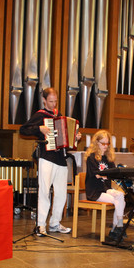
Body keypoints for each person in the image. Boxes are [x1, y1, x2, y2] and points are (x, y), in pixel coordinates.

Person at [19, 87, 81, 235]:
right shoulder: (40, 115)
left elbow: (67, 138)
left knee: (61, 193)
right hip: (46, 157)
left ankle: (54, 223)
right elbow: (23, 130)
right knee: (44, 191)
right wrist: (39, 129)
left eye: (55, 101)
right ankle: (40, 225)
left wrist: (75, 137)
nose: (53, 104)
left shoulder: (59, 116)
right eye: (51, 101)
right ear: (44, 100)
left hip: (61, 158)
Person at [85, 130, 126, 243]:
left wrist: (104, 175)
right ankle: (118, 228)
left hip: (106, 189)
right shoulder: (91, 158)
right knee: (118, 201)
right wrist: (104, 175)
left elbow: (112, 173)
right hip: (95, 192)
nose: (105, 146)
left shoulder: (108, 158)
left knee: (121, 196)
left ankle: (116, 228)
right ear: (96, 143)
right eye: (103, 143)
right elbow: (96, 174)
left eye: (107, 144)